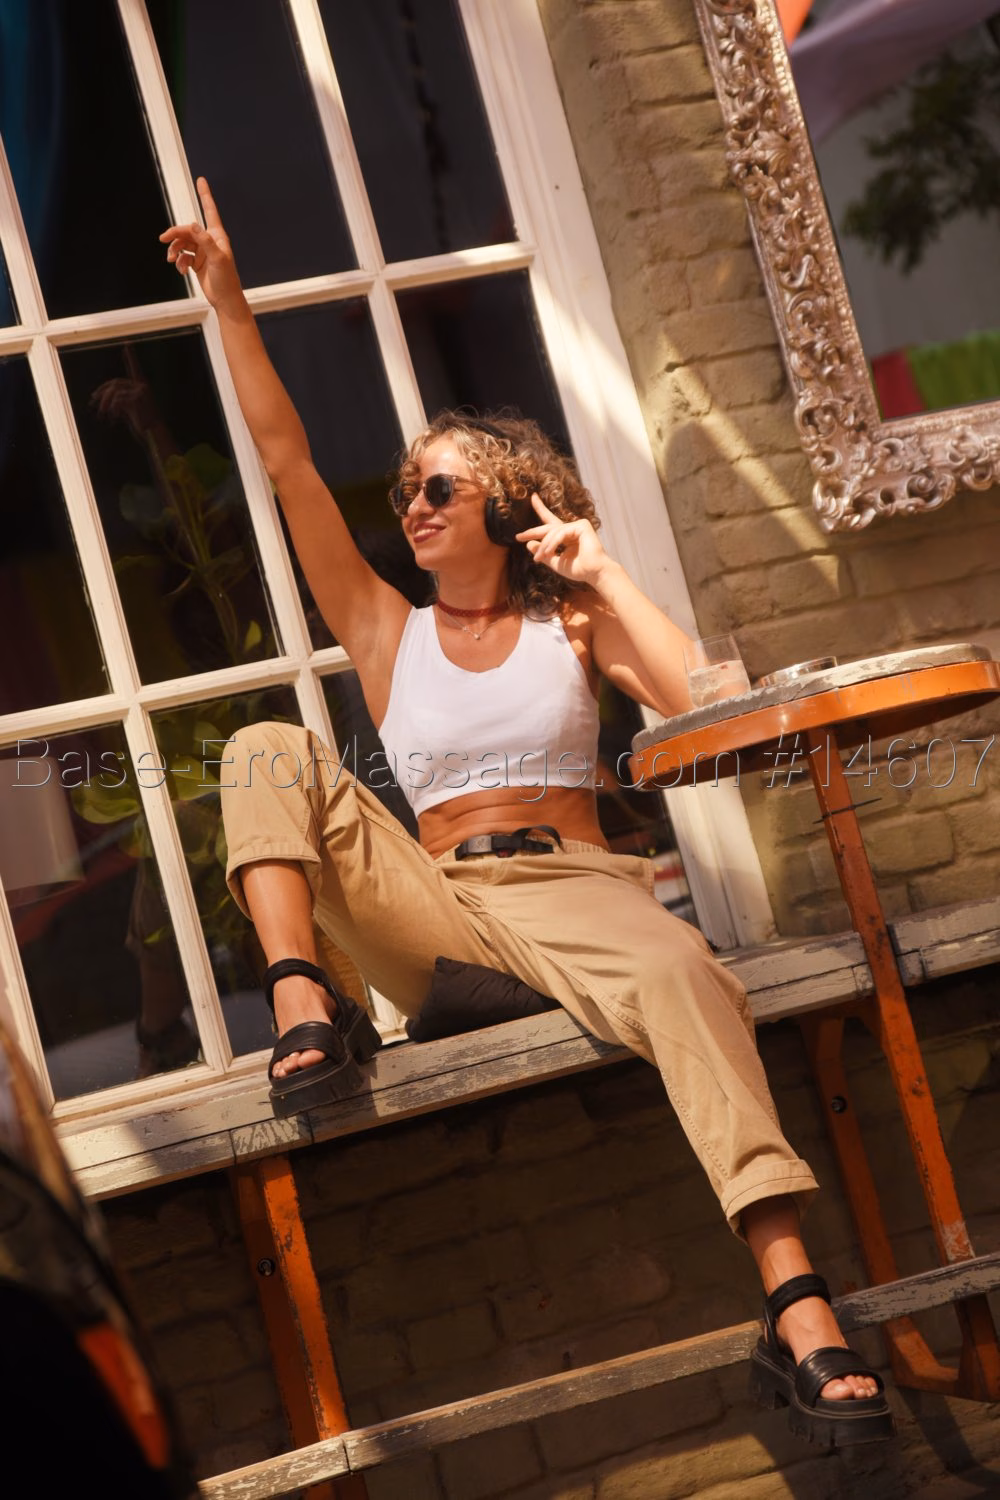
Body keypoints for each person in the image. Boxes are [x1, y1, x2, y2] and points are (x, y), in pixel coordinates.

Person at [161, 179, 894, 1448]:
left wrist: (604, 571)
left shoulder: (570, 621)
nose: (413, 506)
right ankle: (303, 1002)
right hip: (446, 913)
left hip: (583, 894)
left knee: (683, 973)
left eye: (439, 490)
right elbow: (286, 464)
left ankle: (798, 1303)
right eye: (407, 490)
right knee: (266, 747)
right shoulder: (385, 628)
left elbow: (703, 712)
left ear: (503, 508)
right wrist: (228, 303)